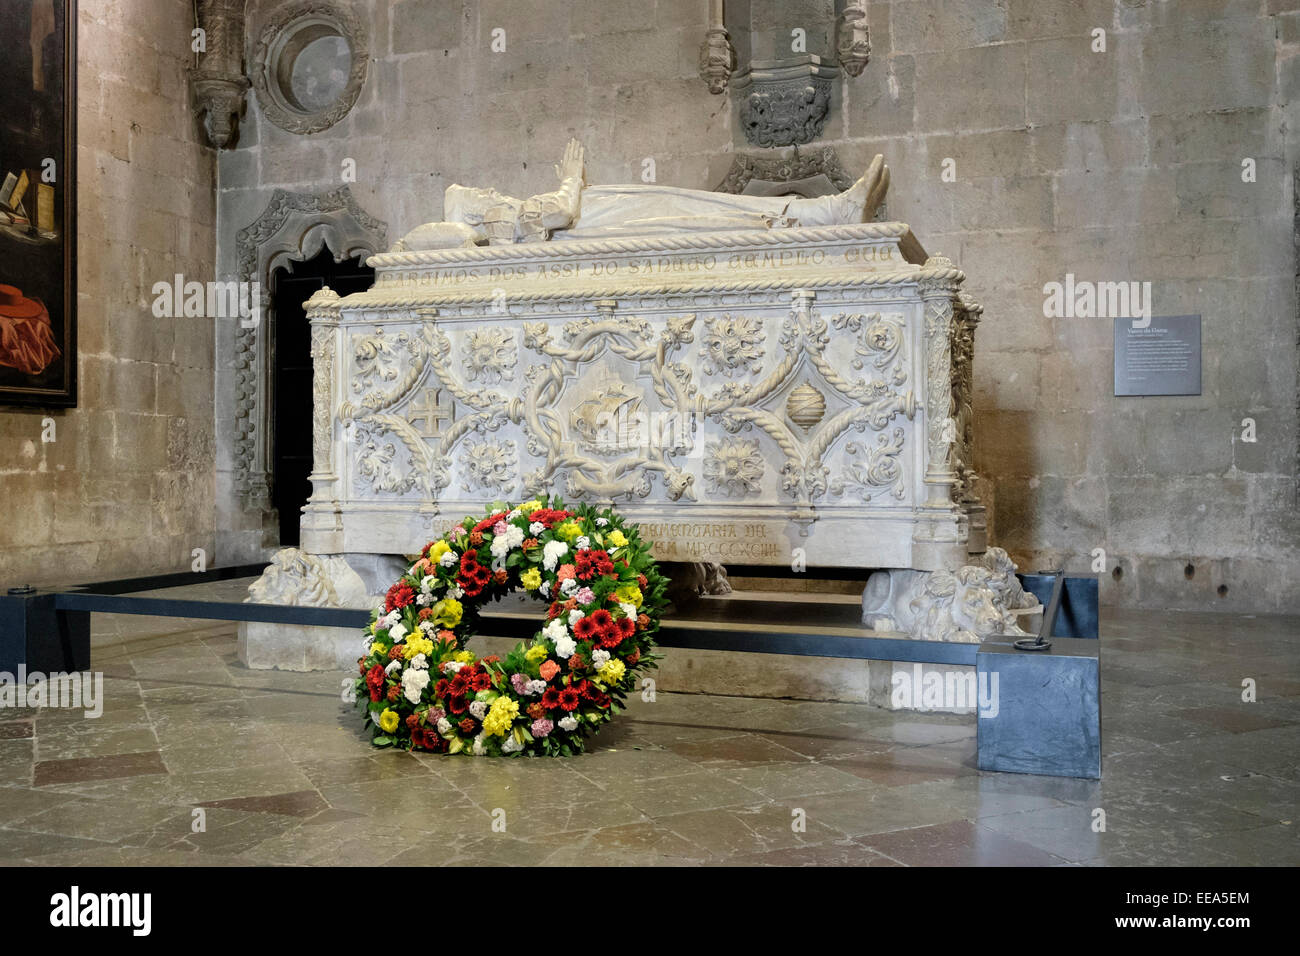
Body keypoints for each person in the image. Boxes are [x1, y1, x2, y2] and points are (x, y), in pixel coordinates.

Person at [396, 139, 890, 249]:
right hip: (599, 222)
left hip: (603, 208)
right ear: (473, 210)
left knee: (703, 207)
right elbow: (562, 213)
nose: (488, 190)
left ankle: (825, 209)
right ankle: (826, 213)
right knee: (703, 216)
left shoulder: (507, 217)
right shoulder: (500, 219)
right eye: (477, 192)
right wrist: (572, 175)